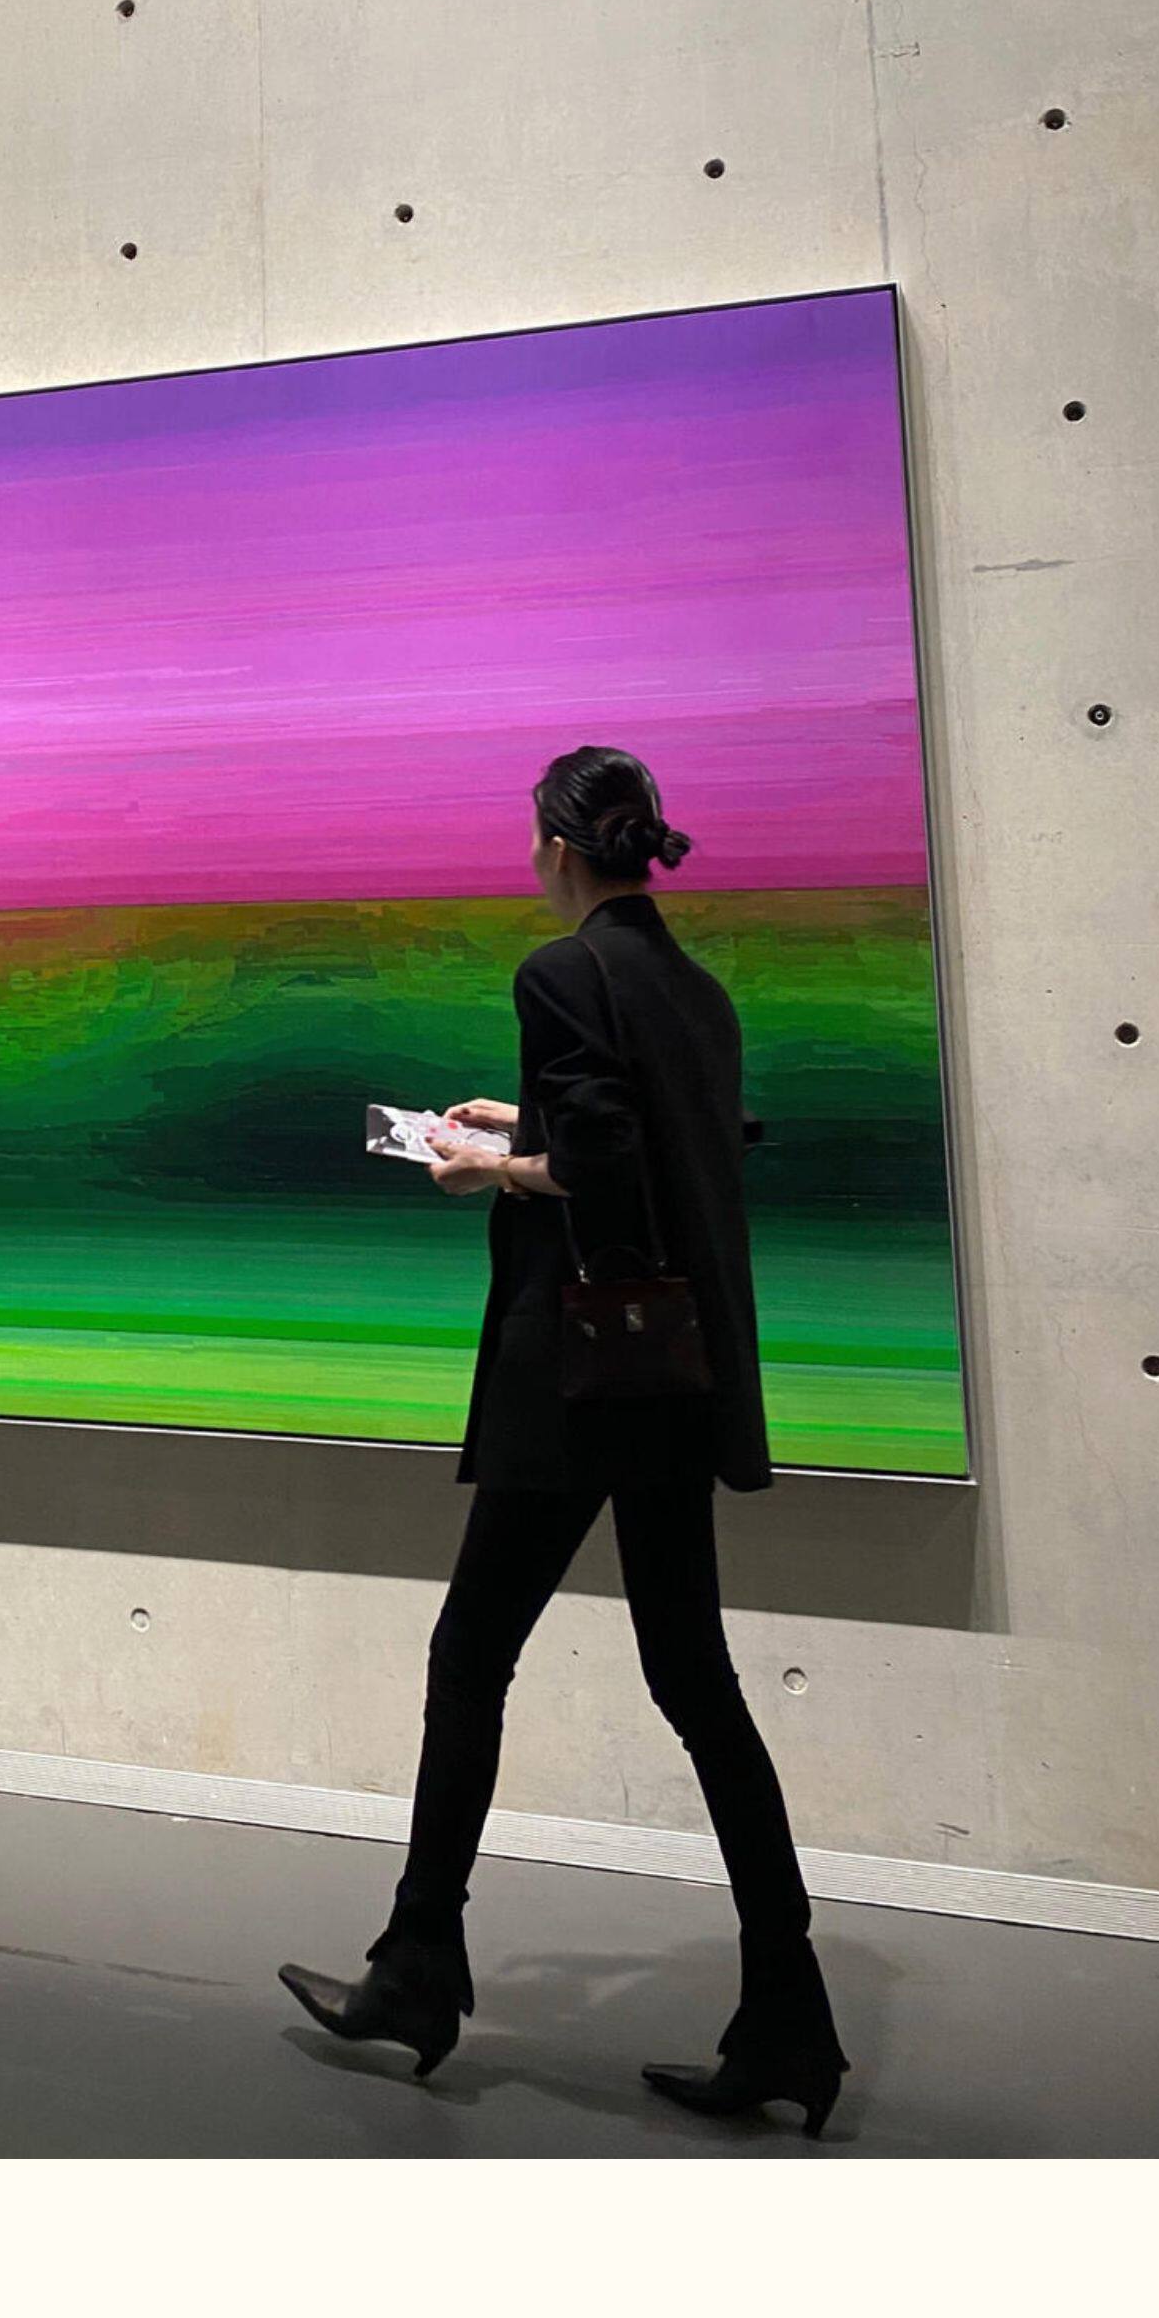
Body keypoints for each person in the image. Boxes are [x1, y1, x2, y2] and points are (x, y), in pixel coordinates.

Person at [277, 745, 850, 2136]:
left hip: (580, 1382)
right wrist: (526, 1121)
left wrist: (494, 1162)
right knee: (697, 1685)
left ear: (558, 845)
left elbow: (598, 1167)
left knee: (471, 1654)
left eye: (532, 840)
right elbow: (683, 1139)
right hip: (672, 1379)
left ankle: (419, 1968)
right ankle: (790, 2018)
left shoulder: (559, 972)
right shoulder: (695, 991)